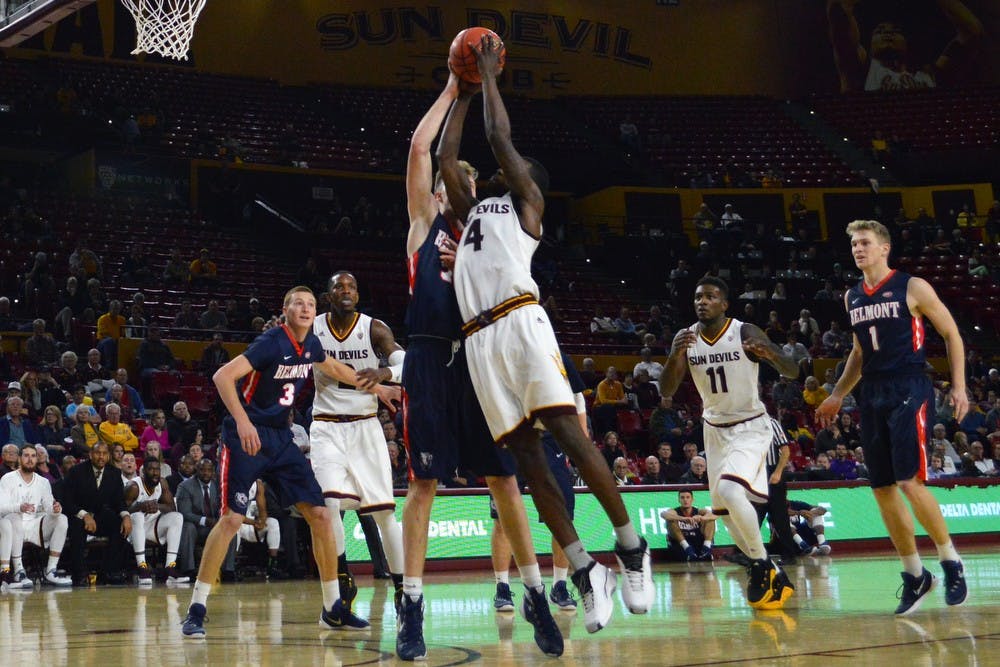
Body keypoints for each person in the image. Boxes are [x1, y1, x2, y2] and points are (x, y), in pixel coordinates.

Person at [439, 33, 652, 643]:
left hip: (520, 320)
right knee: (527, 463)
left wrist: (490, 78)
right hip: (479, 342)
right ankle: (586, 571)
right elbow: (449, 161)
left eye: (517, 166)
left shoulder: (527, 204)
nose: (509, 165)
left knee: (566, 433)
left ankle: (631, 546)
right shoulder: (472, 210)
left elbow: (501, 141)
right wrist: (460, 92)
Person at [398, 71, 566, 661]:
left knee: (505, 481)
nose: (455, 187)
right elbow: (422, 148)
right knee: (423, 484)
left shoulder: (487, 234)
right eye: (453, 180)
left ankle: (535, 594)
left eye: (464, 181)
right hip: (426, 357)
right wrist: (453, 88)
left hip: (478, 357)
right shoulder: (424, 225)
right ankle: (412, 606)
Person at [181, 286, 392, 638]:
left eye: (311, 304)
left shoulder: (310, 344)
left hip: (281, 438)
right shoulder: (271, 342)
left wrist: (378, 388)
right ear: (285, 310)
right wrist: (244, 422)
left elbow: (337, 368)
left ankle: (332, 608)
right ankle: (196, 608)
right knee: (232, 518)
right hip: (246, 435)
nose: (306, 309)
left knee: (322, 514)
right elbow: (222, 377)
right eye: (299, 303)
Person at [816, 219, 969, 615]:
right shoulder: (852, 297)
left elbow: (952, 333)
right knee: (882, 488)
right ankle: (914, 574)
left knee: (909, 481)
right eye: (853, 243)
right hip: (873, 391)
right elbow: (858, 352)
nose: (857, 249)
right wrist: (837, 394)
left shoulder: (912, 286)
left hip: (909, 386)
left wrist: (959, 386)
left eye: (864, 242)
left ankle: (951, 561)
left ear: (884, 248)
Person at [660, 276, 798, 610]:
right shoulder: (687, 339)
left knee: (733, 492)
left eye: (710, 296)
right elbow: (666, 389)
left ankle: (762, 564)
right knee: (724, 513)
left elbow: (792, 370)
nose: (702, 301)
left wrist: (771, 356)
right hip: (714, 429)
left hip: (750, 425)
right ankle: (767, 568)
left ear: (724, 304)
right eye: (697, 296)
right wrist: (674, 355)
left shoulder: (745, 332)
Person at [310, 270, 405, 619]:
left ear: (358, 295)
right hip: (325, 427)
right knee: (328, 506)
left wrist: (385, 374)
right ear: (329, 295)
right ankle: (341, 581)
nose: (346, 290)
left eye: (351, 286)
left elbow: (403, 359)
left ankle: (402, 590)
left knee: (384, 514)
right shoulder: (314, 326)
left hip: (365, 427)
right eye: (339, 286)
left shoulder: (374, 328)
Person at [827, 0, 983, 93]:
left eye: (896, 31)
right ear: (868, 45)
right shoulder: (859, 69)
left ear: (907, 44)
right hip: (876, 143)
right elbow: (838, 12)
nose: (888, 33)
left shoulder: (930, 74)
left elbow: (972, 31)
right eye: (880, 31)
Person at [0, 444, 73, 587]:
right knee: (14, 517)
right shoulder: (7, 479)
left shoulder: (43, 482)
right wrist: (18, 507)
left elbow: (49, 507)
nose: (30, 459)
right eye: (26, 456)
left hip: (35, 526)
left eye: (33, 456)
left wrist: (56, 508)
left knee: (62, 519)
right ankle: (18, 571)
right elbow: (1, 507)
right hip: (11, 526)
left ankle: (51, 569)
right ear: (20, 459)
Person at [61, 442, 131, 585]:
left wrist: (126, 516)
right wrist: (84, 515)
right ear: (91, 455)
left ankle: (109, 572)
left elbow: (119, 501)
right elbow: (66, 501)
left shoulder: (115, 473)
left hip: (100, 515)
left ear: (108, 456)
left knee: (120, 526)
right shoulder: (76, 471)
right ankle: (79, 574)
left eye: (104, 453)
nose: (101, 457)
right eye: (98, 453)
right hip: (77, 515)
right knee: (77, 527)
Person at [124, 457, 188, 584]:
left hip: (152, 526)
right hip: (133, 530)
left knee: (177, 517)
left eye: (157, 469)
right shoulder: (133, 486)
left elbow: (171, 507)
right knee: (137, 516)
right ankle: (142, 567)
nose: (154, 473)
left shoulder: (162, 483)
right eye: (151, 469)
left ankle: (170, 566)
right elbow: (121, 510)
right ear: (143, 472)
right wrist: (140, 506)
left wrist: (157, 506)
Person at [235, 479, 284, 579]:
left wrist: (262, 520)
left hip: (253, 524)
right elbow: (235, 515)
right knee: (233, 528)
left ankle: (272, 565)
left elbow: (262, 508)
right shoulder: (234, 482)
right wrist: (254, 522)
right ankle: (232, 567)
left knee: (273, 523)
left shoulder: (258, 484)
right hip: (237, 523)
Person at [661, 490, 716, 562]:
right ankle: (688, 549)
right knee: (671, 520)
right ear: (679, 500)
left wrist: (701, 518)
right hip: (681, 544)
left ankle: (706, 549)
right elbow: (663, 514)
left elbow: (715, 515)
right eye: (682, 498)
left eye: (687, 497)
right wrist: (683, 519)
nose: (685, 500)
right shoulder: (674, 511)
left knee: (710, 519)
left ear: (692, 500)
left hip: (697, 541)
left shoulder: (699, 511)